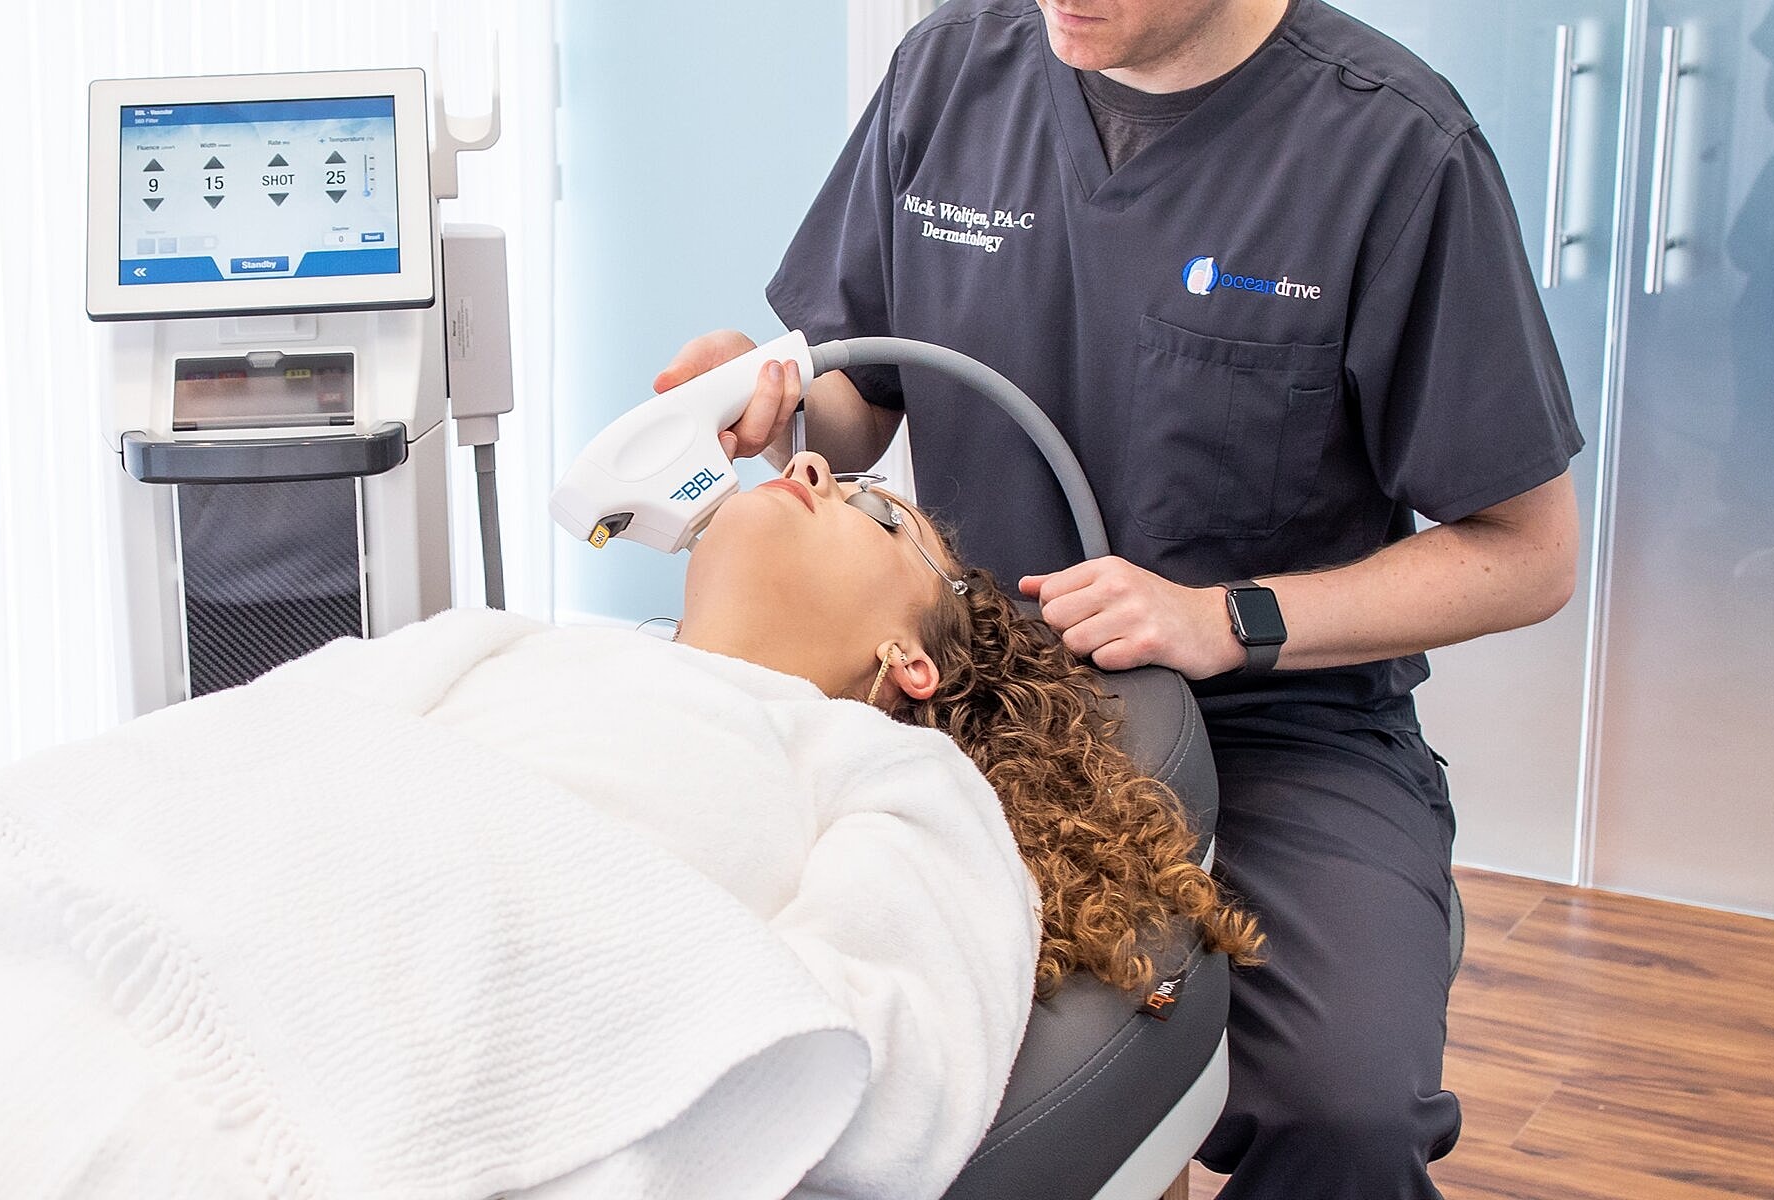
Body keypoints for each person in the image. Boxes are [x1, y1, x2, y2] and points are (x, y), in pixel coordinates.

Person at [0, 449, 1256, 1200]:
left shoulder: (882, 774)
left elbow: (892, 1072)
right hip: (95, 938)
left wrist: (564, 972)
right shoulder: (518, 642)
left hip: (330, 1082)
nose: (809, 464)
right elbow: (250, 754)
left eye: (876, 506)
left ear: (909, 664)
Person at [655, 1, 1585, 1195]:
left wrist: (1225, 618)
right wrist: (777, 394)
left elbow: (1528, 552)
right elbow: (862, 391)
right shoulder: (955, 69)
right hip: (966, 711)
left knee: (1342, 1114)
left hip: (1275, 726)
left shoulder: (1396, 151)